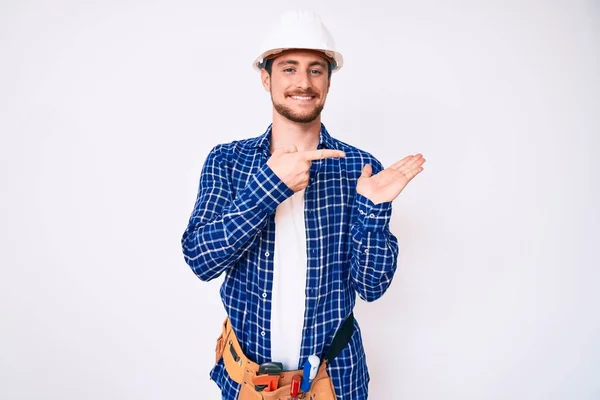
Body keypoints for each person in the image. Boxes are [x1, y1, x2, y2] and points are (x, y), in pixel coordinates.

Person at [181, 9, 425, 400]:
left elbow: (373, 286)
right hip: (249, 382)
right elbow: (201, 259)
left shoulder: (358, 171)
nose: (303, 82)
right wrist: (270, 187)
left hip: (334, 381)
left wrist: (374, 210)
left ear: (329, 81)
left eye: (316, 70)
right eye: (289, 69)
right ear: (267, 78)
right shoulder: (228, 162)